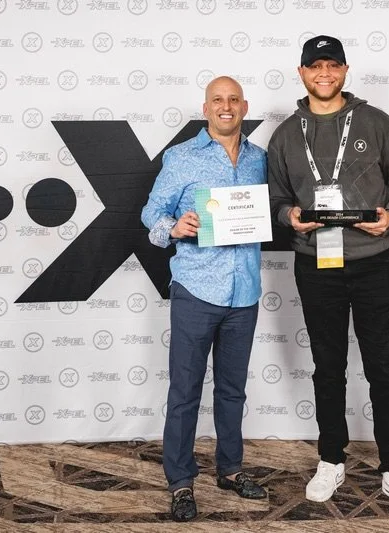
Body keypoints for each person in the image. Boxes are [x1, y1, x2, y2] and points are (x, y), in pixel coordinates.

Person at [267, 35, 389, 513]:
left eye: (332, 65)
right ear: (301, 73)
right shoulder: (286, 134)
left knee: (383, 368)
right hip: (318, 264)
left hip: (377, 260)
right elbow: (276, 196)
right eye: (315, 66)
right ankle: (331, 458)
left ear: (345, 70)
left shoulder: (375, 122)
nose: (324, 73)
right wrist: (290, 215)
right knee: (328, 366)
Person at [141, 76, 268, 522]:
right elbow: (151, 214)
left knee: (233, 391)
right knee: (185, 392)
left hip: (245, 292)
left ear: (244, 106)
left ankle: (230, 470)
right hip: (196, 289)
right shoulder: (180, 157)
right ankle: (180, 480)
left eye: (233, 99)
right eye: (218, 100)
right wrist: (172, 228)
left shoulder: (260, 159)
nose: (226, 106)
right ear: (206, 108)